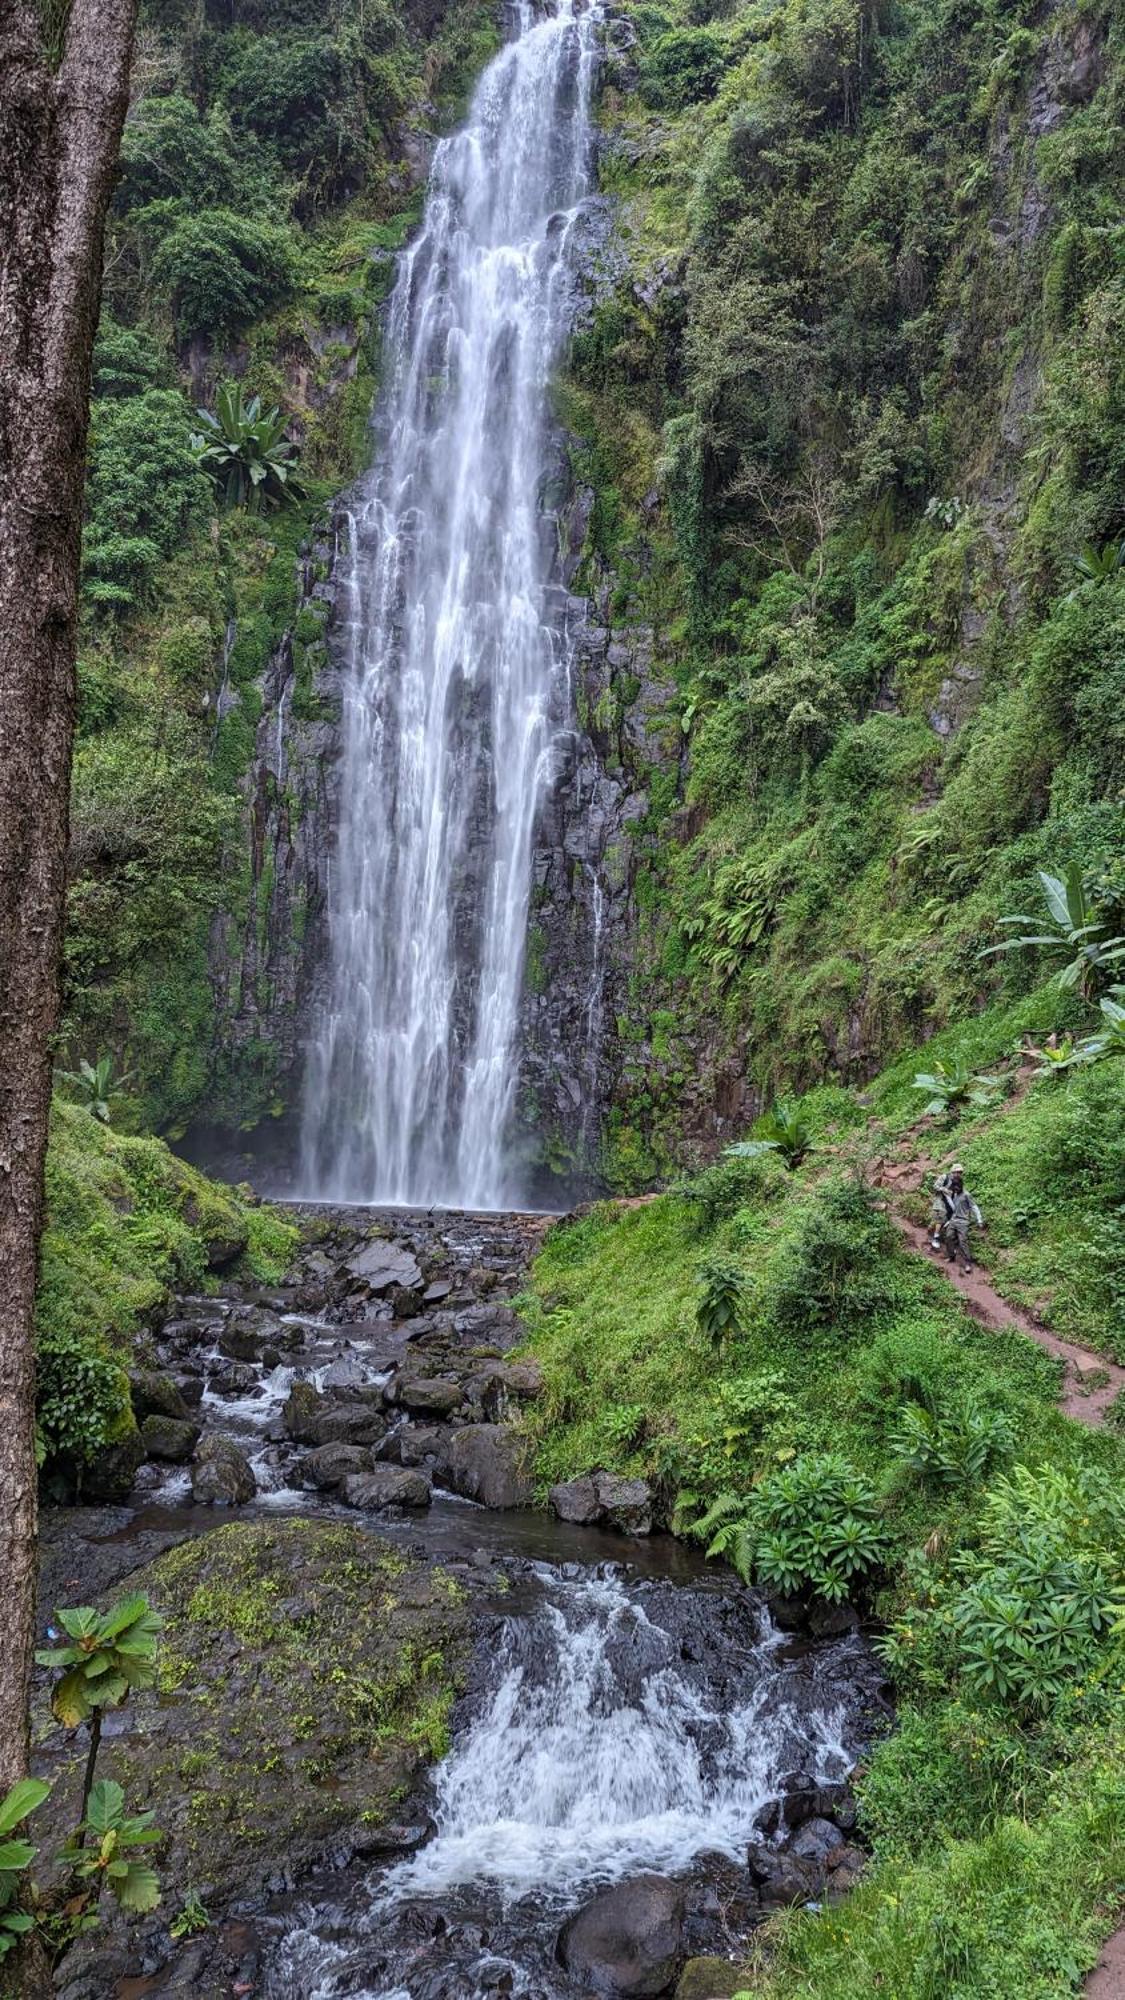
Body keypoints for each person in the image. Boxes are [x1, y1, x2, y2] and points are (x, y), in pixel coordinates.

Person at [929, 1164, 983, 1273]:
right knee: (948, 1236)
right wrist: (948, 1221)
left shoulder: (966, 1195)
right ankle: (951, 1256)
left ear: (961, 1185)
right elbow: (950, 1206)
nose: (956, 1188)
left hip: (963, 1221)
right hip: (953, 1220)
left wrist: (979, 1220)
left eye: (957, 1187)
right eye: (954, 1187)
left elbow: (974, 1207)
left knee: (963, 1241)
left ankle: (968, 1263)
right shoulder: (953, 1195)